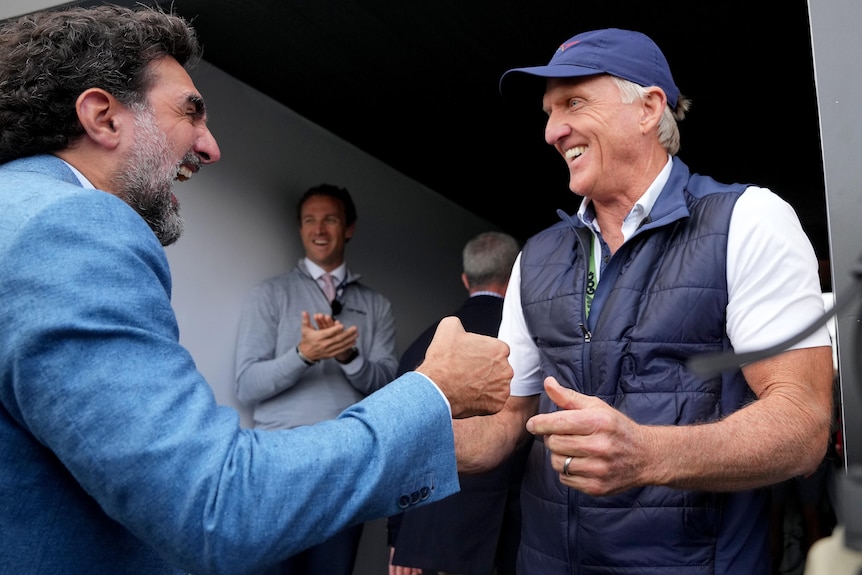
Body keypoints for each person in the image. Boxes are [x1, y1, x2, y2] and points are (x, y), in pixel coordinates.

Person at [0, 6, 513, 575]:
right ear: (103, 116)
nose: (211, 146)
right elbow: (216, 507)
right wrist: (434, 395)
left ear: (348, 229)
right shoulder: (71, 227)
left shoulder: (19, 210)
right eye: (191, 112)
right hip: (265, 484)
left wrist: (363, 371)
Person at [452, 28, 835, 575]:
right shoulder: (534, 256)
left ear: (649, 108)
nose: (553, 131)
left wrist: (648, 454)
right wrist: (402, 439)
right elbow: (507, 421)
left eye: (574, 102)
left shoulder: (749, 220)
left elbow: (803, 425)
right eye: (548, 111)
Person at [234, 183, 398, 575]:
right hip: (277, 465)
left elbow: (386, 387)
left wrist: (348, 356)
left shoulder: (376, 305)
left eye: (330, 219)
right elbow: (247, 385)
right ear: (300, 228)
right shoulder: (269, 294)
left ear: (349, 228)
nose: (319, 229)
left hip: (345, 468)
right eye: (309, 220)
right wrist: (304, 355)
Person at [387, 231, 531, 575]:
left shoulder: (424, 346)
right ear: (516, 279)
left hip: (423, 539)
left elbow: (400, 443)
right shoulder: (528, 347)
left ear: (466, 280)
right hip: (503, 540)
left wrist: (399, 537)